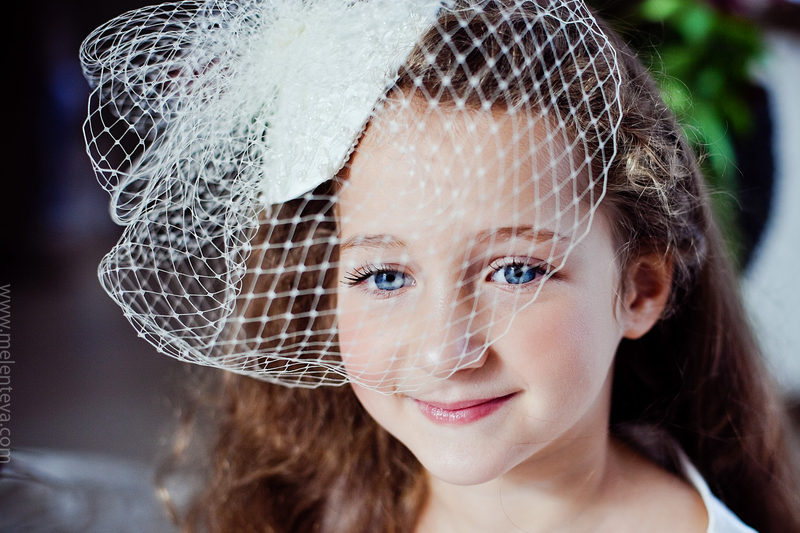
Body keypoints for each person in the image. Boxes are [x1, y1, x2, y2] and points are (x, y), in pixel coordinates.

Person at [77, 0, 800, 532]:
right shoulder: (305, 513)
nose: (444, 351)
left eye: (515, 271)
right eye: (385, 276)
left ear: (639, 288)